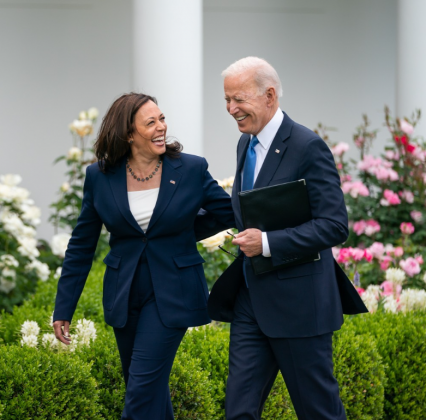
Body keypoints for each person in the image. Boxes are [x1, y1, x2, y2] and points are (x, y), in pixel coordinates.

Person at [52, 92, 235, 420]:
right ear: (128, 133)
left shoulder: (190, 169)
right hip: (124, 294)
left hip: (173, 292)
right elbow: (81, 245)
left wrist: (182, 236)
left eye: (162, 119)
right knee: (148, 392)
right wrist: (63, 308)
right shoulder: (99, 175)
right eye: (151, 122)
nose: (161, 127)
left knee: (139, 393)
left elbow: (228, 213)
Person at [215, 56, 366, 420]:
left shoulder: (307, 146)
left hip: (301, 306)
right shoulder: (245, 145)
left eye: (238, 99)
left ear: (269, 95)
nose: (231, 109)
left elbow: (334, 225)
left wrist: (267, 243)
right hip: (251, 302)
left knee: (318, 413)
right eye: (226, 100)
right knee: (238, 411)